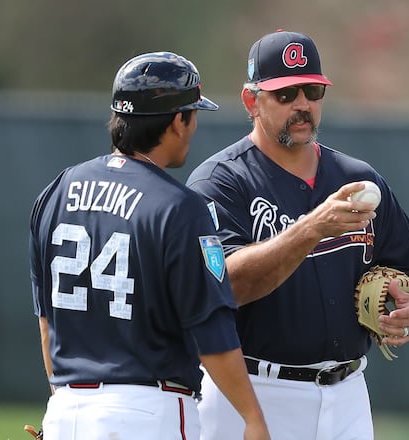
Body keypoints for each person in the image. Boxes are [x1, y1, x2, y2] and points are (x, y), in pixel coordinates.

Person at [186, 30, 409, 440]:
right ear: (252, 101)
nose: (302, 105)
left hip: (348, 393)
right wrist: (311, 228)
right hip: (253, 391)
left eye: (312, 91)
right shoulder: (221, 182)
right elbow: (225, 285)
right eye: (285, 94)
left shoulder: (358, 180)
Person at [28, 51, 269, 440]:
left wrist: (66, 403)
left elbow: (47, 324)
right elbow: (211, 330)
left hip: (65, 410)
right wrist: (252, 418)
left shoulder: (56, 191)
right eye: (193, 115)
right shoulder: (180, 207)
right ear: (177, 121)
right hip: (145, 413)